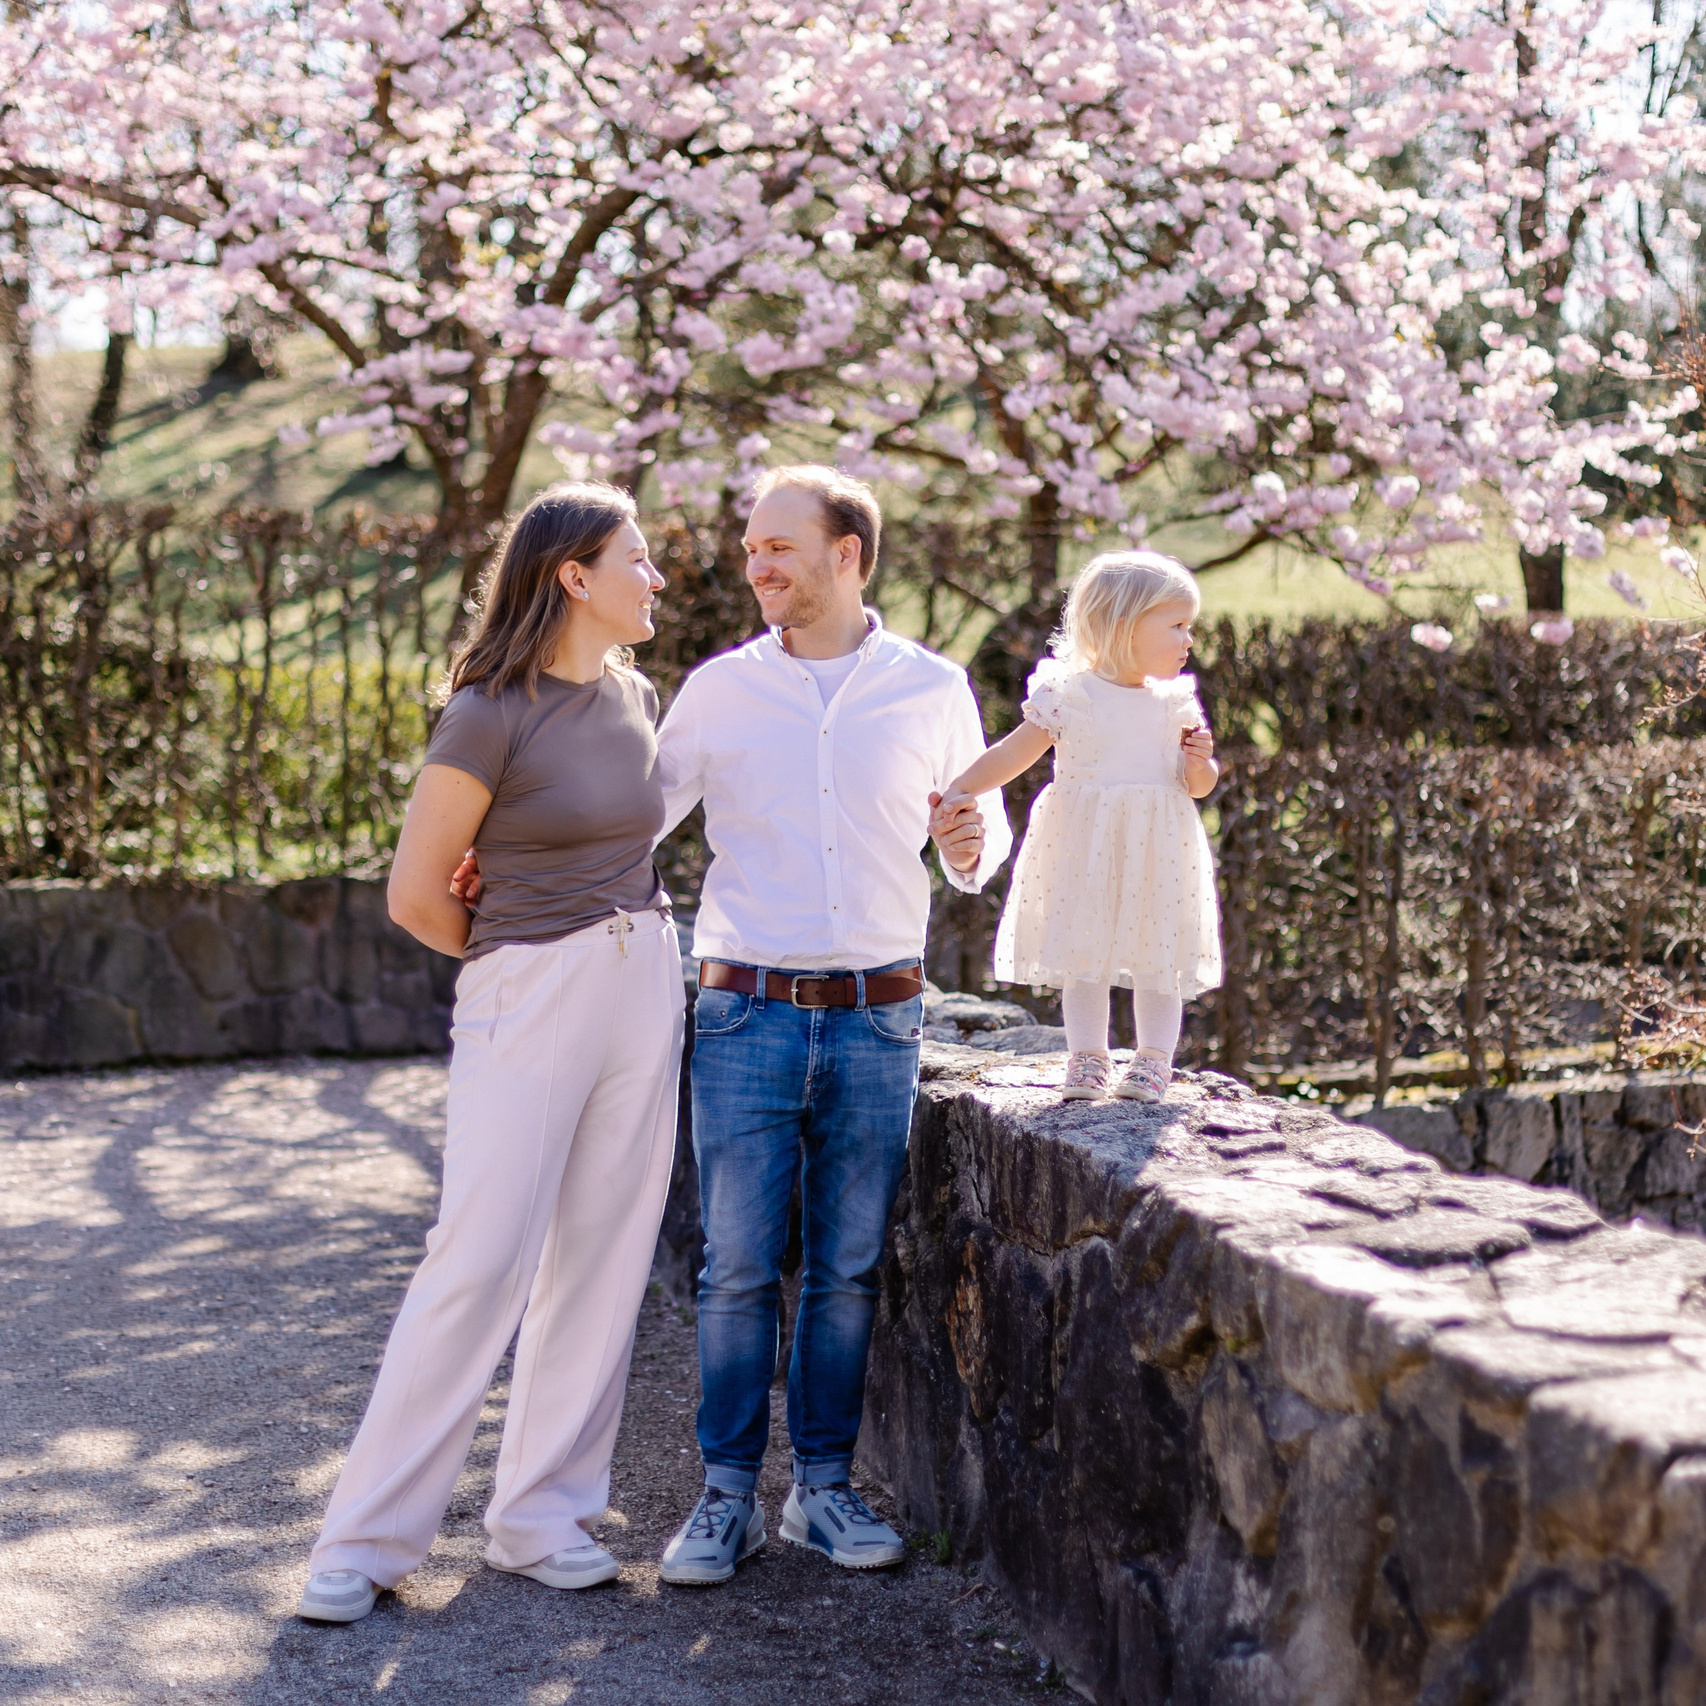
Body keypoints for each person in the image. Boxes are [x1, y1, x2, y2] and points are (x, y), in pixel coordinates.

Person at [296, 483, 682, 1624]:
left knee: (604, 1255)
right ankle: (362, 1541)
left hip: (645, 970)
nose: (654, 578)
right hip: (532, 982)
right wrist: (522, 954)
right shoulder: (487, 712)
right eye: (638, 559)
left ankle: (539, 1516)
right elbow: (416, 894)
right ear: (574, 574)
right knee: (477, 1254)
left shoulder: (634, 693)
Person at [650, 465, 1010, 1583]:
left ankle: (820, 1490)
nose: (755, 565)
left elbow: (977, 840)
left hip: (878, 1017)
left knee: (848, 1268)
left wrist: (964, 846)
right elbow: (631, 826)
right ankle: (723, 1499)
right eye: (750, 547)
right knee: (737, 1267)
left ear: (847, 553)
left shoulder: (932, 685)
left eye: (776, 547)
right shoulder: (715, 690)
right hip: (743, 1007)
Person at [931, 550, 1222, 1104]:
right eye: (1178, 625)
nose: (1189, 640)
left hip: (1156, 848)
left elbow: (1199, 785)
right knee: (1084, 951)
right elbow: (1013, 754)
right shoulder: (1069, 695)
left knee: (1158, 953)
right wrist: (962, 788)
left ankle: (1154, 1058)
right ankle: (1087, 1056)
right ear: (1123, 625)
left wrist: (1199, 762)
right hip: (1086, 844)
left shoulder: (1175, 703)